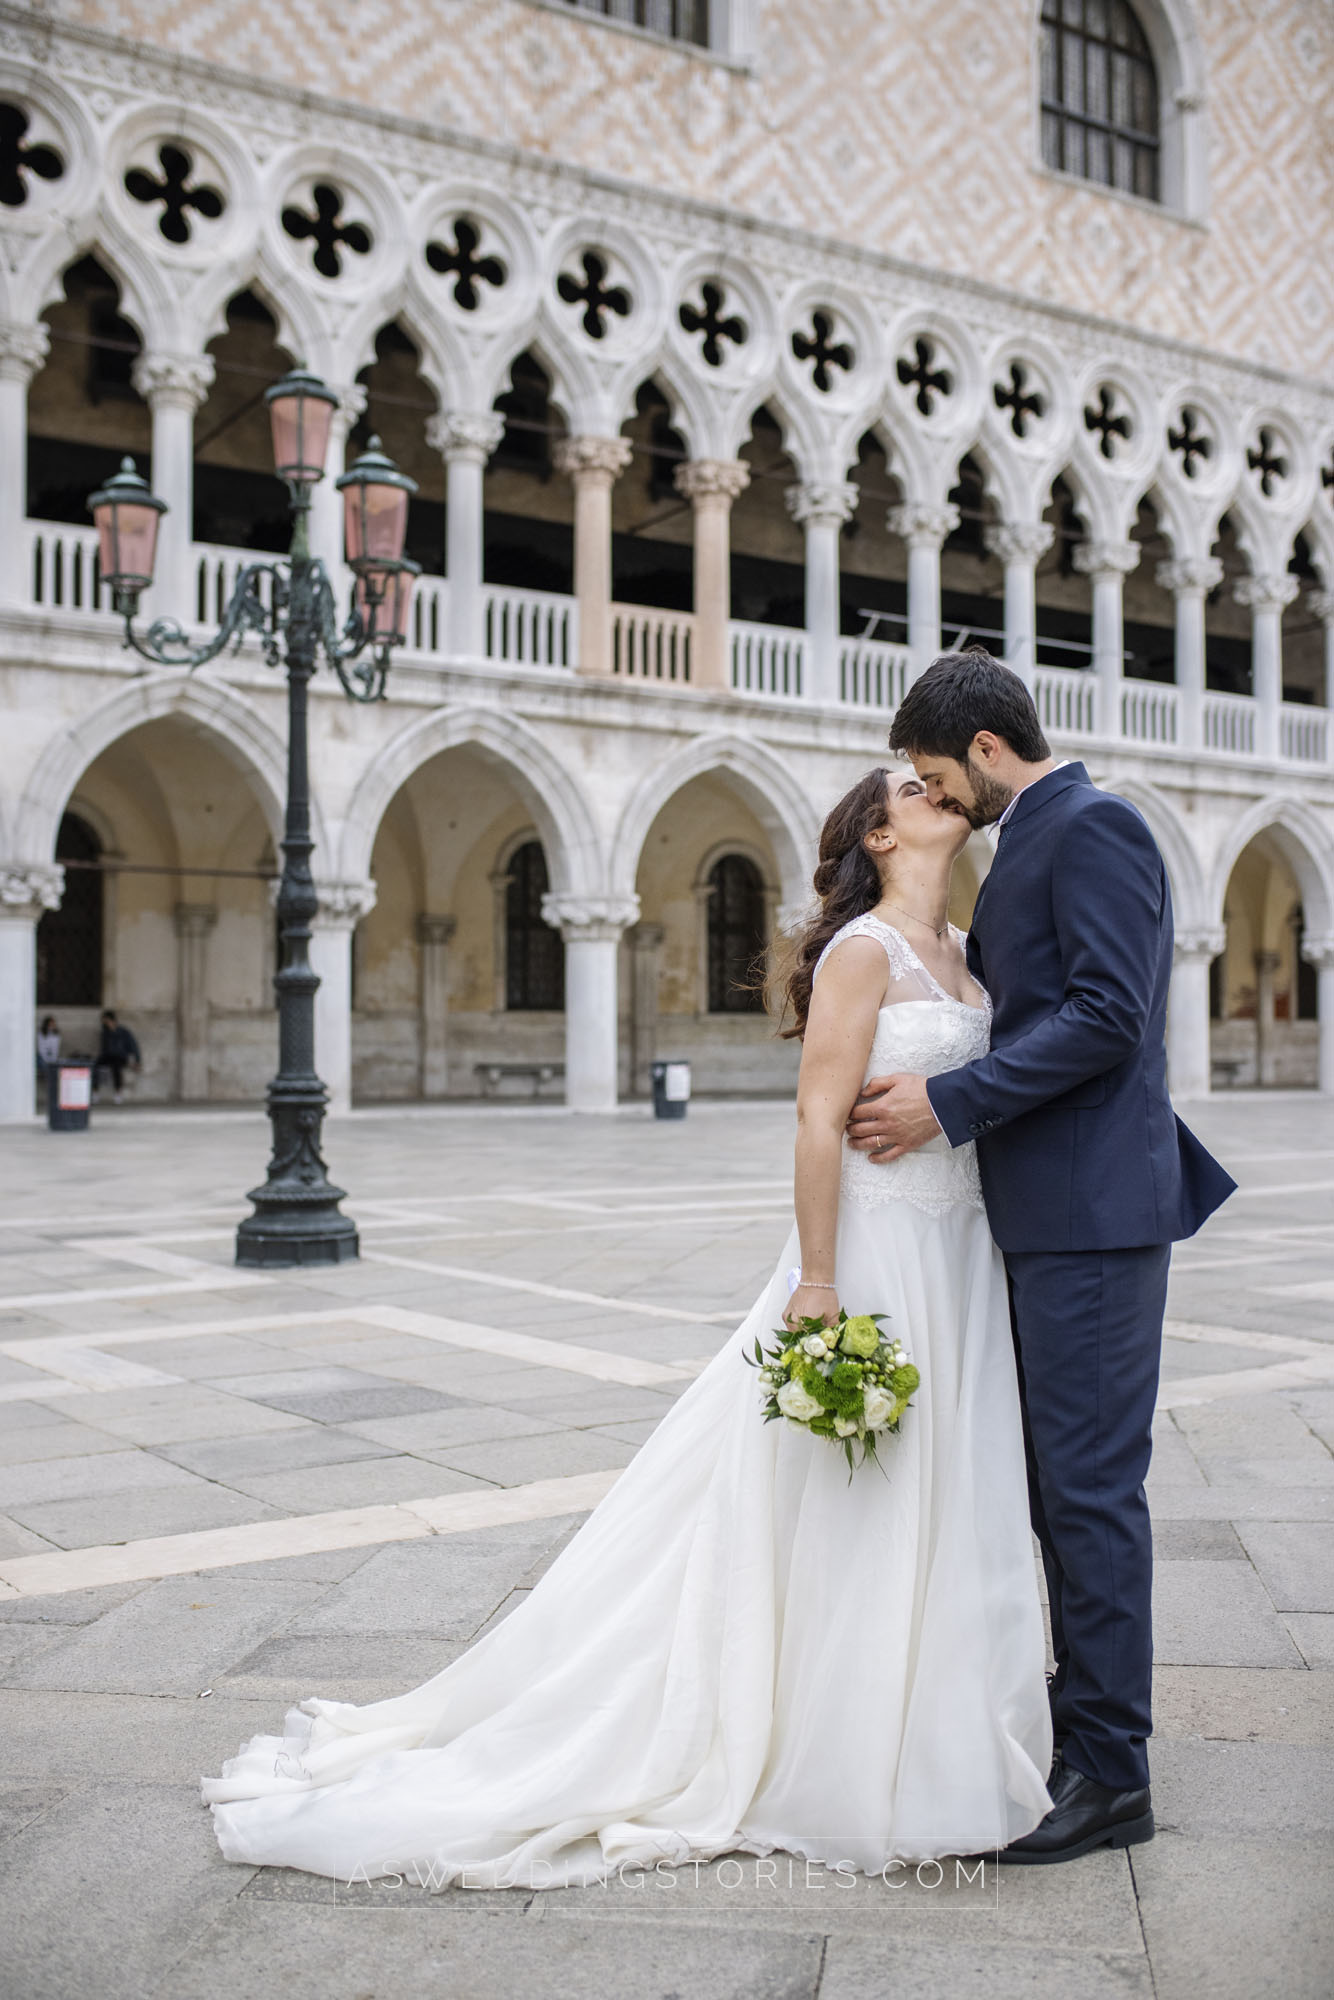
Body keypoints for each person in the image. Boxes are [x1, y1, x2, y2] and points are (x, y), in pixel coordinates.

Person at [203, 767, 1056, 1890]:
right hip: (881, 1244)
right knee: (862, 1487)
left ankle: (927, 1718)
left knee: (945, 1479)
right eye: (909, 784)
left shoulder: (961, 945)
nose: (937, 789)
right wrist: (813, 1276)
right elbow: (815, 1115)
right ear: (877, 831)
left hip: (957, 1248)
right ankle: (839, 1733)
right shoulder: (863, 951)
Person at [846, 650, 1236, 1864]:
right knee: (1051, 1491)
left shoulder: (1093, 826)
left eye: (931, 774)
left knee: (1085, 1494)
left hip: (1094, 1219)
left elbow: (1112, 1017)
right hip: (1044, 1214)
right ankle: (1070, 1730)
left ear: (981, 747)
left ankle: (1110, 1771)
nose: (933, 798)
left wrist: (949, 1101)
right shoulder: (1033, 839)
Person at [94, 1009, 140, 1103]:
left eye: (105, 1020)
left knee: (116, 1067)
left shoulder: (123, 1032)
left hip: (121, 1057)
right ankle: (95, 1092)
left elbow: (133, 1045)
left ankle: (118, 1093)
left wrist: (137, 1061)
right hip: (108, 1056)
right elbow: (104, 1049)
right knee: (95, 1065)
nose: (104, 1023)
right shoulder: (105, 1033)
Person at [35, 1016, 60, 1081]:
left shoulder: (56, 1035)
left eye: (53, 1024)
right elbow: (41, 1049)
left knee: (55, 1066)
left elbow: (55, 1050)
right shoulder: (41, 1034)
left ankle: (50, 1075)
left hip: (52, 1059)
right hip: (42, 1058)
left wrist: (53, 1061)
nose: (52, 1026)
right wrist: (46, 1061)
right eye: (50, 1025)